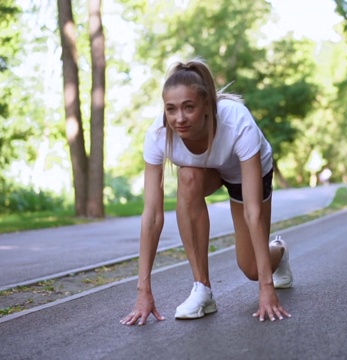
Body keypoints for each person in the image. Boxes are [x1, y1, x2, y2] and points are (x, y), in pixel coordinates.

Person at [120, 58, 293, 326]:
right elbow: (152, 216)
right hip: (203, 171)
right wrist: (143, 292)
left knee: (250, 269)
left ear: (207, 106)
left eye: (188, 107)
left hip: (242, 173)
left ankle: (279, 251)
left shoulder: (237, 122)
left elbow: (252, 211)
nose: (179, 118)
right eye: (171, 109)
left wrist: (266, 287)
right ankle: (202, 289)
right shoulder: (157, 135)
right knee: (186, 176)